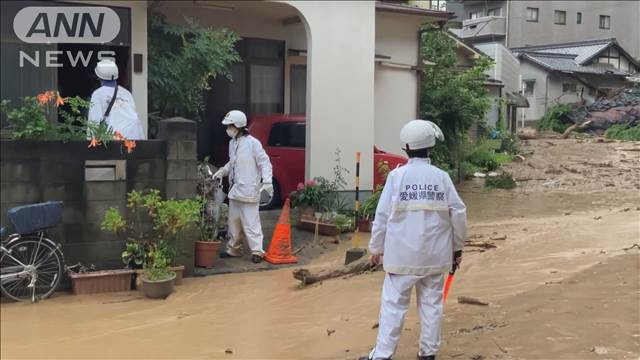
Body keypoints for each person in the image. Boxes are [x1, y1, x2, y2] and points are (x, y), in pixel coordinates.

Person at [361, 120, 467, 360]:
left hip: (401, 258)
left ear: (406, 148)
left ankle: (382, 355)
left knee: (393, 307)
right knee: (431, 306)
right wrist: (457, 249)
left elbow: (382, 216)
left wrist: (375, 248)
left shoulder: (397, 177)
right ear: (430, 147)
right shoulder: (442, 178)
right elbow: (459, 214)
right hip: (435, 257)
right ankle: (428, 354)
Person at [212, 110, 273, 264]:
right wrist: (223, 171)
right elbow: (232, 163)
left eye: (229, 126)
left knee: (251, 223)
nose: (228, 129)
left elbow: (264, 162)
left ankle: (257, 251)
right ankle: (234, 249)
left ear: (238, 126)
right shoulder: (233, 143)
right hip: (235, 190)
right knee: (234, 223)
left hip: (249, 190)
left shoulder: (253, 143)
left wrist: (267, 181)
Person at [88, 58, 145, 140]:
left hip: (113, 141)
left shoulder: (98, 94)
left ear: (99, 77)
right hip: (133, 139)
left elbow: (94, 122)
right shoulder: (126, 93)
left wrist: (91, 143)